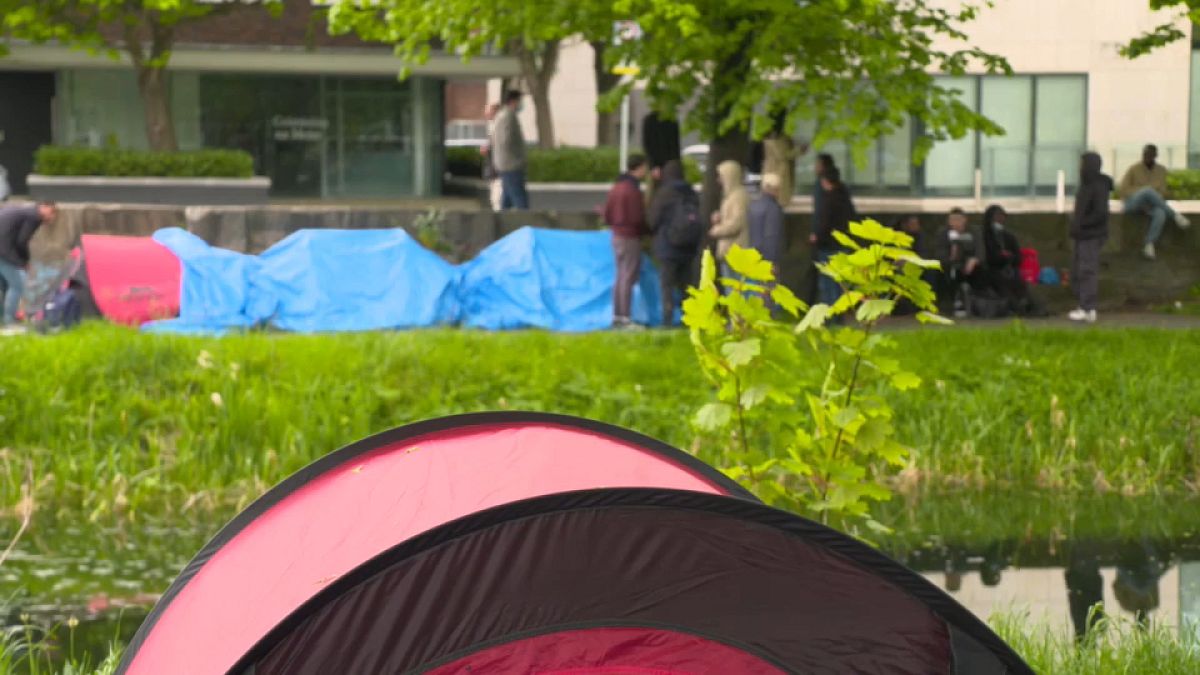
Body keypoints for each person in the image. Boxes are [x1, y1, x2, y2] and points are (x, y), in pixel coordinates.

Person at [647, 159, 701, 327]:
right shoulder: (690, 192)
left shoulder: (664, 193)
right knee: (687, 284)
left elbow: (653, 221)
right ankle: (689, 319)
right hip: (688, 246)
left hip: (667, 246)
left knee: (667, 286)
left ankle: (668, 319)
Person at [1119, 144, 1190, 259]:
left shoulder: (1161, 170)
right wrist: (1144, 192)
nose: (1147, 156)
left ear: (1155, 155)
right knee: (1147, 191)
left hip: (1151, 205)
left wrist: (1160, 196)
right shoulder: (1134, 168)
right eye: (1145, 154)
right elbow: (1123, 190)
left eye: (1150, 154)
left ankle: (1149, 245)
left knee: (1160, 213)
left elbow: (1162, 191)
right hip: (1133, 203)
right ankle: (1175, 216)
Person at [604, 153, 650, 329]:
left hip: (616, 235)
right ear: (639, 168)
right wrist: (647, 231)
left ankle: (617, 315)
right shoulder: (633, 190)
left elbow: (607, 213)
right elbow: (638, 217)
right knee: (628, 276)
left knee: (620, 276)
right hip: (630, 236)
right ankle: (625, 317)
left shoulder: (617, 187)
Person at [1070, 152, 1111, 323]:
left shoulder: (1097, 185)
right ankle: (1084, 306)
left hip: (1091, 234)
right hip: (1084, 233)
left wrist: (1081, 224)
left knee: (1087, 270)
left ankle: (1088, 307)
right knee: (1080, 270)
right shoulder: (1087, 184)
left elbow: (1100, 213)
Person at [0, 201, 57, 325]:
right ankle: (9, 321)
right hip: (3, 250)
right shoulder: (34, 216)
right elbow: (22, 241)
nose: (52, 217)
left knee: (4, 286)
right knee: (17, 286)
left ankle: (3, 318)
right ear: (43, 206)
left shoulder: (25, 211)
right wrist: (24, 262)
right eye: (52, 212)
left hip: (3, 248)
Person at [980, 205, 1042, 316]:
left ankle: (1029, 306)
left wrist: (1009, 258)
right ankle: (1015, 307)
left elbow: (1018, 257)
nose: (1000, 220)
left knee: (1019, 282)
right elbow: (989, 257)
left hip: (1010, 269)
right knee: (1002, 284)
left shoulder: (1009, 237)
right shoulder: (984, 236)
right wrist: (1003, 257)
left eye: (1002, 217)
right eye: (997, 217)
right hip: (992, 270)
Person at [809, 166, 855, 306]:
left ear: (826, 181)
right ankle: (838, 314)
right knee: (839, 283)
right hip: (842, 244)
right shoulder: (844, 197)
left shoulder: (827, 200)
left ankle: (831, 315)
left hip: (828, 245)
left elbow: (824, 223)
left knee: (827, 284)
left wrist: (816, 236)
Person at [937, 208, 986, 317]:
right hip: (951, 265)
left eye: (958, 219)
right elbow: (940, 254)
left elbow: (980, 252)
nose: (955, 223)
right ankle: (949, 305)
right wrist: (952, 254)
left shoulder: (974, 232)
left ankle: (976, 306)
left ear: (965, 220)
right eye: (952, 220)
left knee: (981, 273)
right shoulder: (944, 233)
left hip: (971, 265)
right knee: (943, 274)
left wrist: (974, 260)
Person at [708, 160, 751, 279]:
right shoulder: (731, 196)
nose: (718, 180)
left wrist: (716, 230)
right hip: (730, 250)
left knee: (735, 290)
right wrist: (720, 217)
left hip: (735, 251)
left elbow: (736, 224)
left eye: (721, 176)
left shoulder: (738, 197)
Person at [492, 90, 529, 210]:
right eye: (520, 101)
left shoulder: (502, 115)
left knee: (507, 200)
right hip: (511, 165)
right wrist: (518, 158)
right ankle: (526, 223)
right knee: (520, 199)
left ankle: (501, 224)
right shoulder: (508, 116)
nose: (521, 104)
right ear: (513, 101)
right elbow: (505, 141)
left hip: (506, 164)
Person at [762, 112, 806, 208]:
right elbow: (782, 155)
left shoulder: (772, 135)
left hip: (774, 169)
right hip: (778, 170)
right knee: (778, 198)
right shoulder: (775, 137)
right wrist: (799, 150)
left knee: (776, 197)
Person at [479, 102, 502, 211]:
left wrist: (487, 148)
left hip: (497, 167)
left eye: (488, 111)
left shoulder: (498, 126)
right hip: (494, 167)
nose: (485, 113)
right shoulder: (492, 126)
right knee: (495, 193)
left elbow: (497, 144)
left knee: (497, 194)